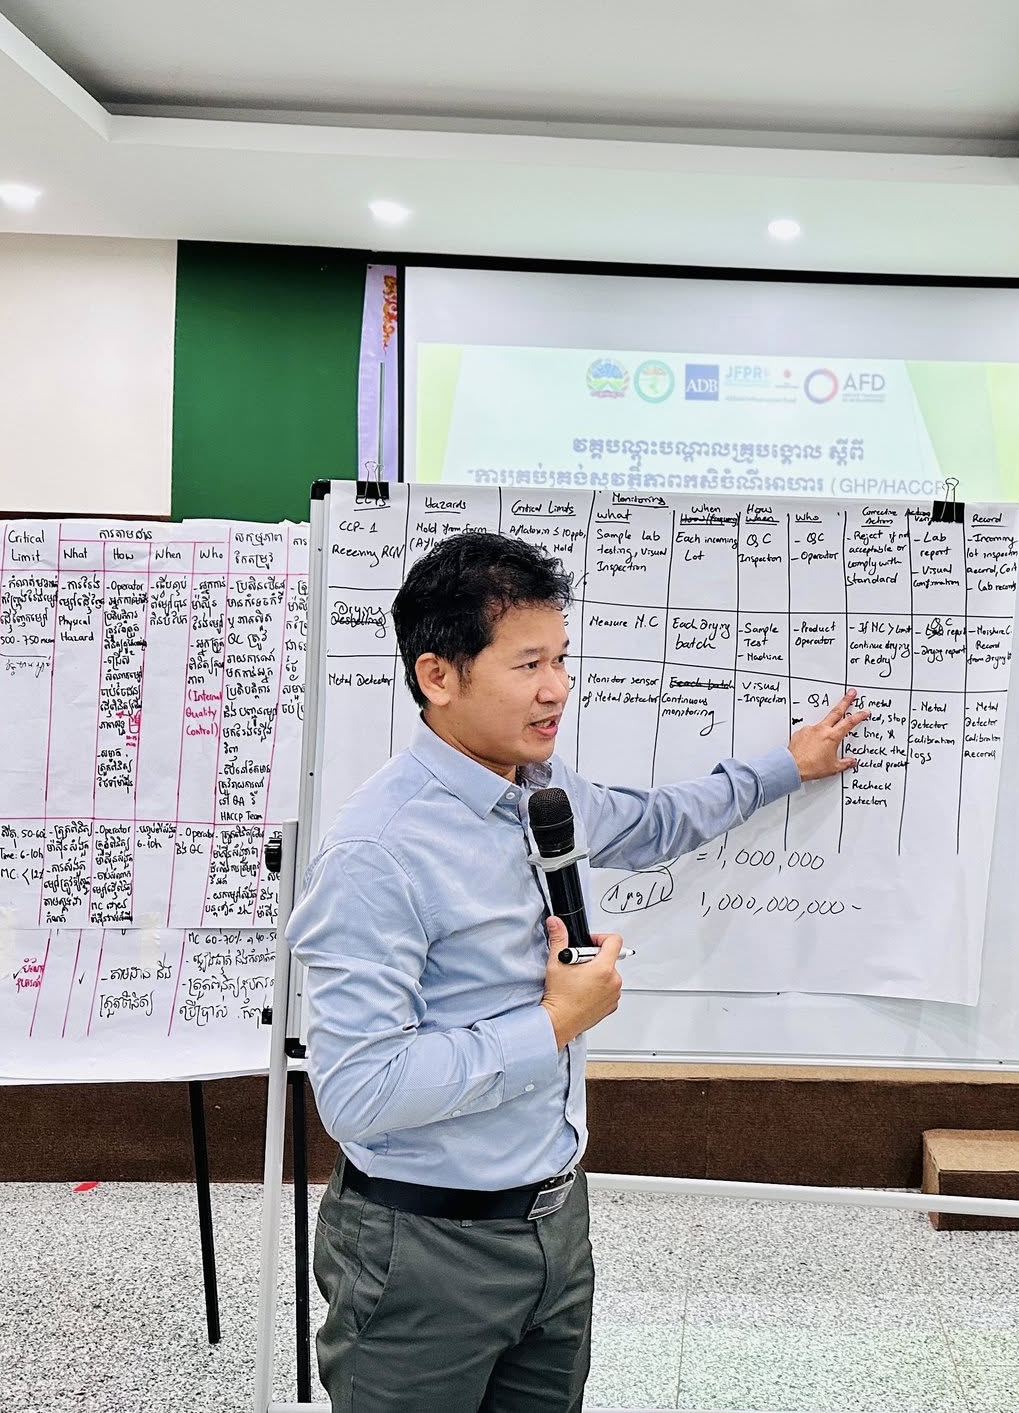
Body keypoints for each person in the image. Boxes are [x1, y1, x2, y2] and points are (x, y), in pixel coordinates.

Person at [285, 529, 868, 1413]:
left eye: (560, 658)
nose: (557, 686)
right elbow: (359, 1091)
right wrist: (556, 1021)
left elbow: (657, 821)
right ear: (438, 676)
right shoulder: (379, 851)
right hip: (423, 1245)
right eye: (528, 664)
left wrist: (787, 765)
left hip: (553, 1225)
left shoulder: (542, 792)